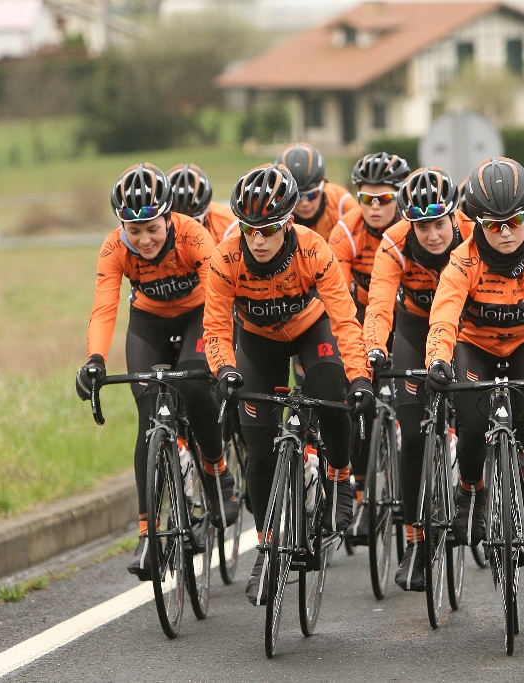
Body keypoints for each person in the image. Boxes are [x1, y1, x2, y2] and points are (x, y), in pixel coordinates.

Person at [203, 163, 374, 605]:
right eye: (249, 229)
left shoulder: (314, 249)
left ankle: (339, 477)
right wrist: (224, 369)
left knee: (332, 391)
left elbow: (345, 319)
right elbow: (217, 330)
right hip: (258, 343)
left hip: (311, 330)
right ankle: (268, 547)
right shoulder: (226, 256)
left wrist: (359, 378)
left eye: (269, 229)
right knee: (258, 452)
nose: (258, 239)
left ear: (289, 222)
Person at [75, 163, 238, 581]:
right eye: (134, 230)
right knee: (149, 420)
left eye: (153, 227)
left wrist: (221, 359)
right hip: (147, 322)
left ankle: (216, 472)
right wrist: (95, 359)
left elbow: (220, 302)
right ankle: (148, 535)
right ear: (122, 227)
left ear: (169, 217)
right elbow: (104, 308)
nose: (144, 239)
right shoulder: (114, 249)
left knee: (197, 387)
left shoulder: (194, 236)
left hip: (197, 316)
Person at [424, 157, 524, 582]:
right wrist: (438, 359)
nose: (507, 232)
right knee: (473, 428)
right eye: (494, 225)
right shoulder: (463, 258)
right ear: (479, 225)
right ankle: (470, 491)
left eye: (514, 221)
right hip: (474, 346)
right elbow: (444, 314)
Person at [362, 166, 474, 589]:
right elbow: (378, 306)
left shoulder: (473, 237)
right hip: (413, 327)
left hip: (466, 327)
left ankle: (468, 491)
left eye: (439, 224)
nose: (431, 235)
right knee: (411, 432)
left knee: (470, 413)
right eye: (421, 226)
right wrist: (374, 346)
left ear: (453, 218)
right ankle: (414, 543)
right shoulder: (393, 243)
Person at [327, 152, 411, 543]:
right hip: (365, 317)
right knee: (357, 404)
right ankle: (362, 497)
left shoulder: (419, 229)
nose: (375, 207)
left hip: (412, 316)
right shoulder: (345, 233)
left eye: (385, 199)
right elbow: (338, 296)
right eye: (367, 199)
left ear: (401, 197)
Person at [276, 143, 358, 241]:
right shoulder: (274, 213)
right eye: (296, 197)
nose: (305, 203)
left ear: (323, 186)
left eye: (311, 194)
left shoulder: (341, 203)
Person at [167, 164, 238, 245]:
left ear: (207, 210)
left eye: (193, 223)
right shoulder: (153, 214)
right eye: (175, 224)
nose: (184, 233)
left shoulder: (229, 224)